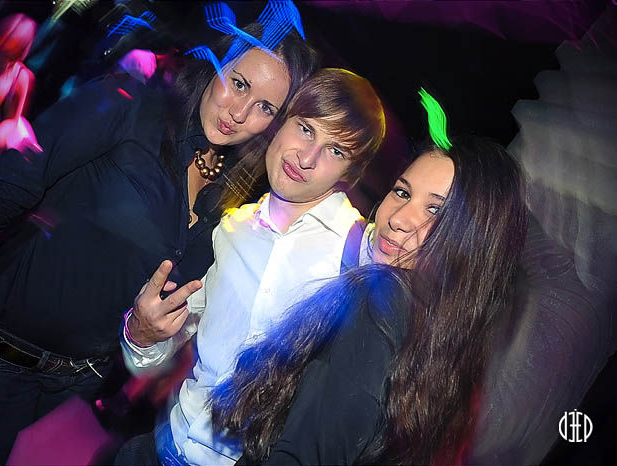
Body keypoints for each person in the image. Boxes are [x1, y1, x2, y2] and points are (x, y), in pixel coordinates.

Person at [0, 21, 318, 465]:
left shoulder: (225, 185)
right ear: (216, 61)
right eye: (238, 83)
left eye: (264, 107)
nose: (240, 113)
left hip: (74, 377)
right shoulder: (133, 104)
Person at [119, 67, 387, 465]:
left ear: (351, 172)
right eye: (306, 129)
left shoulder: (360, 255)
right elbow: (168, 342)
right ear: (282, 124)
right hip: (162, 444)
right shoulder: (231, 229)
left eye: (335, 151)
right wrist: (140, 335)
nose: (306, 158)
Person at [211, 136, 529, 465]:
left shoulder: (381, 299)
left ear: (473, 241)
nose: (398, 218)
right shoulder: (448, 351)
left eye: (435, 210)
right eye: (402, 192)